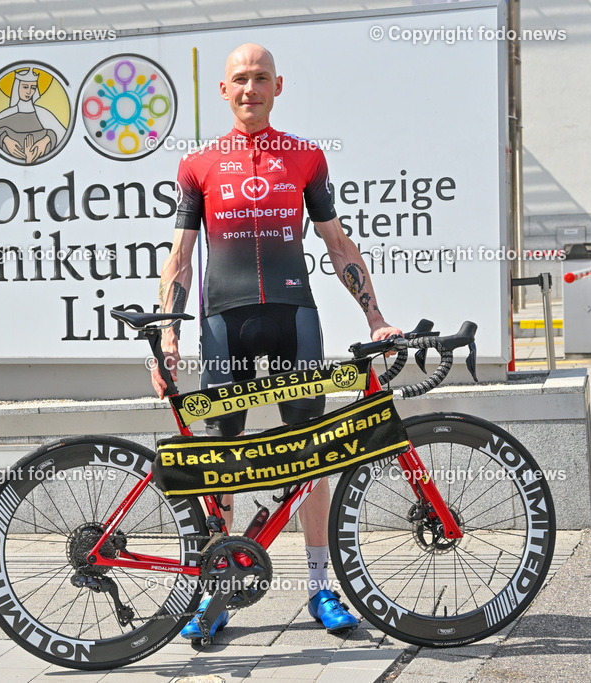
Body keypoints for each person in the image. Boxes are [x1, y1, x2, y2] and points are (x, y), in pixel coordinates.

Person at [152, 43, 401, 639]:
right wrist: (166, 337)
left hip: (294, 318)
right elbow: (181, 259)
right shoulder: (198, 165)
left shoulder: (306, 158)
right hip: (223, 324)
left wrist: (375, 319)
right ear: (223, 89)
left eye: (260, 78)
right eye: (239, 78)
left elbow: (338, 245)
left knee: (312, 453)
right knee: (221, 462)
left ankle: (320, 589)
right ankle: (217, 596)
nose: (249, 88)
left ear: (277, 85)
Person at [0, 67, 67, 163]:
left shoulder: (42, 113)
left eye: (33, 87)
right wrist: (5, 139)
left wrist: (46, 140)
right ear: (17, 86)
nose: (29, 92)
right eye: (25, 87)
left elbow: (61, 134)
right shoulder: (3, 115)